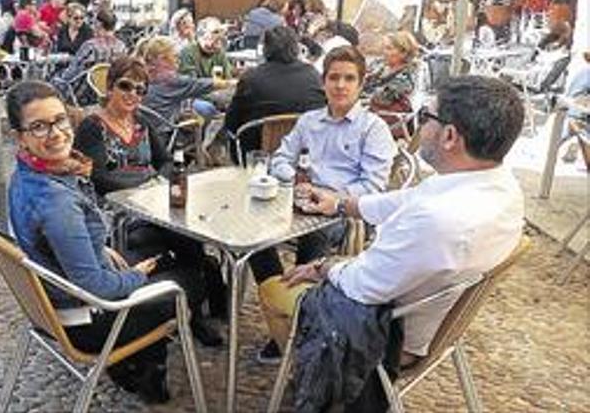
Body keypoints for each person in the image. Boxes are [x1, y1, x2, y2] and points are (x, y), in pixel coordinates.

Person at [267, 77, 524, 401]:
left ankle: (314, 384)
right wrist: (343, 204)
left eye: (424, 117)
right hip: (428, 312)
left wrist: (322, 266)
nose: (418, 127)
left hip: (392, 335)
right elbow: (411, 199)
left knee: (273, 289)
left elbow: (363, 285)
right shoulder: (499, 187)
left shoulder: (439, 220)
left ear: (449, 136)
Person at [7, 81, 175, 403]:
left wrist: (101, 249)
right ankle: (146, 373)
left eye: (60, 121)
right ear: (21, 136)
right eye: (39, 127)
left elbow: (58, 241)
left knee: (140, 251)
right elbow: (96, 286)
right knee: (180, 287)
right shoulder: (56, 202)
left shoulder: (27, 174)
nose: (55, 133)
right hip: (82, 320)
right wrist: (138, 275)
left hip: (51, 304)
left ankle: (134, 364)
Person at [251, 46, 396, 363]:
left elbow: (373, 187)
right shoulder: (309, 121)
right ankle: (281, 314)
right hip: (300, 202)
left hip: (345, 212)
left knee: (314, 237)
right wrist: (299, 182)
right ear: (323, 82)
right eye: (334, 78)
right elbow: (281, 158)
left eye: (348, 78)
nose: (340, 85)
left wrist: (332, 198)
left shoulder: (373, 129)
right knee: (252, 236)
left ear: (361, 84)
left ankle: (305, 324)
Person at [73, 56, 225, 344]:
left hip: (152, 203)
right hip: (116, 212)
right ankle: (189, 312)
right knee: (180, 236)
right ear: (110, 87)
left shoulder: (141, 123)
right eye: (126, 86)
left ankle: (193, 312)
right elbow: (100, 176)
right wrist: (149, 184)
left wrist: (159, 182)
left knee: (189, 231)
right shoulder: (92, 126)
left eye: (140, 90)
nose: (133, 95)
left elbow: (165, 161)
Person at [224, 26, 326, 163]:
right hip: (305, 153)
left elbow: (231, 122)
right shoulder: (313, 75)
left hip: (258, 155)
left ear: (265, 49)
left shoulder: (251, 78)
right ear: (296, 47)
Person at [143, 36, 235, 122]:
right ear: (162, 59)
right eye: (175, 56)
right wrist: (235, 83)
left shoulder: (142, 72)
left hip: (143, 130)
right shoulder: (171, 80)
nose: (178, 59)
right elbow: (201, 84)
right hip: (165, 132)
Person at [54, 10, 126, 104]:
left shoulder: (90, 46)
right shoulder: (121, 46)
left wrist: (59, 79)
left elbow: (72, 72)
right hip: (110, 92)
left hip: (86, 94)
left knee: (54, 80)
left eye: (94, 22)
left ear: (99, 24)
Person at [364, 31, 422, 139]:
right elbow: (363, 84)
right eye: (384, 48)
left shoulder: (407, 75)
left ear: (403, 53)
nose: (384, 52)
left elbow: (384, 98)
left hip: (388, 120)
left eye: (389, 49)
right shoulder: (380, 67)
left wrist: (361, 96)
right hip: (371, 114)